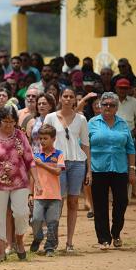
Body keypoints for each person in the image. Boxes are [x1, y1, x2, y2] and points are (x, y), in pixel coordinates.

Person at [0, 105, 40, 262]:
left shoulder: (21, 136)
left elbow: (29, 160)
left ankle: (19, 241)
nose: (8, 125)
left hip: (20, 182)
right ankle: (1, 251)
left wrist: (37, 181)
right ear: (0, 120)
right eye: (5, 121)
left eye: (11, 121)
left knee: (21, 213)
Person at [44, 87, 91, 253]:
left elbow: (85, 144)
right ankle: (53, 241)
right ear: (60, 98)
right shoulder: (50, 117)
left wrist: (89, 170)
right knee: (57, 202)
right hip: (58, 164)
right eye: (65, 96)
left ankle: (69, 242)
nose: (68, 99)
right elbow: (45, 143)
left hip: (78, 162)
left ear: (75, 100)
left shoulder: (82, 119)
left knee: (73, 202)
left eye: (71, 96)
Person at [88, 92, 136, 249]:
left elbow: (130, 148)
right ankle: (104, 239)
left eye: (112, 105)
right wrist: (87, 169)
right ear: (100, 106)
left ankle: (116, 232)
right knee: (100, 204)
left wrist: (132, 169)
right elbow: (85, 147)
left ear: (117, 108)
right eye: (105, 104)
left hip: (120, 168)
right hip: (98, 168)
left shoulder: (123, 124)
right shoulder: (92, 123)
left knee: (122, 201)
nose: (108, 107)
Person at [30, 124, 65, 257]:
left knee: (52, 222)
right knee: (36, 219)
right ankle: (38, 237)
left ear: (53, 139)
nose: (42, 141)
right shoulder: (37, 155)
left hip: (54, 195)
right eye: (41, 138)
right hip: (39, 194)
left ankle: (49, 247)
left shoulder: (58, 154)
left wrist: (41, 164)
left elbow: (57, 171)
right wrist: (30, 193)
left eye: (45, 138)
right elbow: (32, 176)